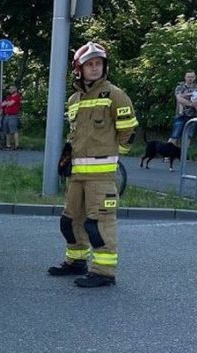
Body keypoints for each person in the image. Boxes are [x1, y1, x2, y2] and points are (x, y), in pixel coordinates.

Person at [48, 41, 137, 288]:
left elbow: (128, 130)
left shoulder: (114, 94)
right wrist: (68, 154)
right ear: (79, 69)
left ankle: (104, 272)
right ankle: (76, 261)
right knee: (70, 220)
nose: (95, 68)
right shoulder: (74, 99)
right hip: (77, 175)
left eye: (99, 63)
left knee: (99, 224)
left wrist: (113, 155)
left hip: (101, 176)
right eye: (90, 64)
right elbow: (77, 133)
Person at [169, 71, 197, 144]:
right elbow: (179, 99)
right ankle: (167, 154)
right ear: (185, 77)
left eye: (192, 77)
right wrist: (192, 104)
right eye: (188, 77)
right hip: (181, 115)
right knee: (174, 136)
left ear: (195, 78)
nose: (190, 79)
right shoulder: (180, 87)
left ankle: (182, 154)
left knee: (188, 137)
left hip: (193, 116)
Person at [1, 85, 23, 150]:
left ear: (15, 89)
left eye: (11, 88)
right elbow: (2, 104)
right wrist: (6, 103)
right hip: (6, 115)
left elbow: (10, 104)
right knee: (7, 130)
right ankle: (8, 145)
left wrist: (6, 103)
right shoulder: (9, 97)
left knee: (14, 130)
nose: (10, 90)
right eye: (9, 89)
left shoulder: (17, 96)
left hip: (13, 115)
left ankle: (17, 145)